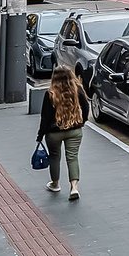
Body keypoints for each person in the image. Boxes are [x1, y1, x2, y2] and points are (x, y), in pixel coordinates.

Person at [39, 65, 90, 200]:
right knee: (72, 158)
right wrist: (82, 122)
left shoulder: (50, 94)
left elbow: (45, 117)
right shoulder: (77, 90)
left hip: (54, 133)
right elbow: (86, 107)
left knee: (54, 157)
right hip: (74, 130)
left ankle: (55, 184)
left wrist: (40, 135)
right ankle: (74, 188)